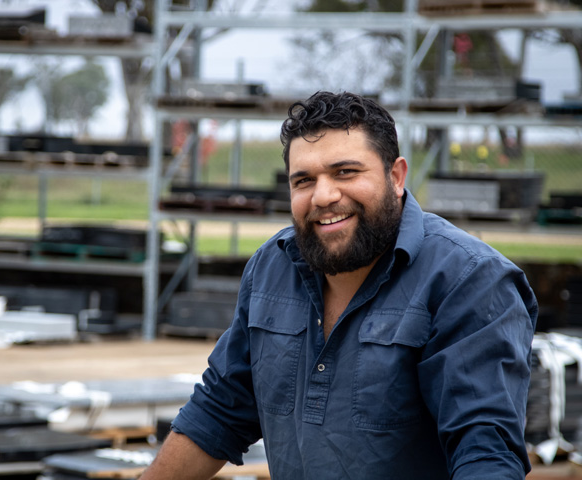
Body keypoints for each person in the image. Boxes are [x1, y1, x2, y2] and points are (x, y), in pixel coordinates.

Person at [140, 91, 538, 479]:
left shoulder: (468, 280)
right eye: (304, 181)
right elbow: (219, 412)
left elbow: (485, 452)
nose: (324, 196)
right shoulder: (272, 267)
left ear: (395, 176)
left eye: (345, 172)